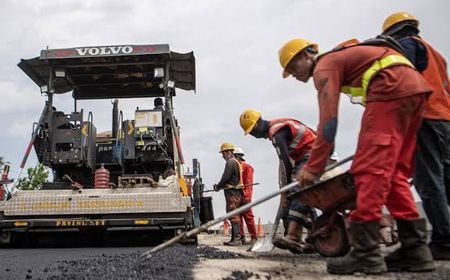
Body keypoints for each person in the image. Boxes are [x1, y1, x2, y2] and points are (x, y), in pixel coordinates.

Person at [279, 37, 435, 274]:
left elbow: (328, 123)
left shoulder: (325, 66)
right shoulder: (344, 59)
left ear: (305, 55)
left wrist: (314, 168)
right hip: (413, 91)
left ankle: (366, 254)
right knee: (394, 174)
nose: (294, 76)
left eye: (292, 68)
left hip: (389, 90)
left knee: (367, 170)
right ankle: (415, 249)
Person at [382, 11, 450, 261]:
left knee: (429, 180)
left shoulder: (407, 46)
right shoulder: (437, 54)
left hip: (424, 119)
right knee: (445, 178)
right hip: (444, 120)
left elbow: (400, 79)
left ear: (393, 33)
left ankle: (443, 241)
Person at [239, 109, 319, 253]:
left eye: (251, 131)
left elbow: (285, 162)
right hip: (309, 154)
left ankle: (293, 236)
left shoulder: (276, 132)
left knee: (297, 191)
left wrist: (286, 187)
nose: (253, 135)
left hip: (312, 154)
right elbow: (285, 161)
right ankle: (316, 237)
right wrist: (284, 187)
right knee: (302, 196)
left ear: (257, 125)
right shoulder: (277, 127)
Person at [214, 142, 245, 246]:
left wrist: (218, 186)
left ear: (228, 152)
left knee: (233, 214)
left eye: (223, 153)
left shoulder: (230, 162)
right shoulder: (237, 162)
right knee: (235, 214)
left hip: (232, 192)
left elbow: (225, 177)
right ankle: (236, 239)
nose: (222, 156)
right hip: (237, 192)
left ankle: (236, 239)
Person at [233, 147, 258, 244]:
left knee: (248, 217)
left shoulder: (247, 168)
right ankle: (242, 238)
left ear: (238, 157)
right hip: (238, 196)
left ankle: (254, 237)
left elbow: (249, 183)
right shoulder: (236, 168)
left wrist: (247, 197)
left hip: (245, 196)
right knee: (238, 218)